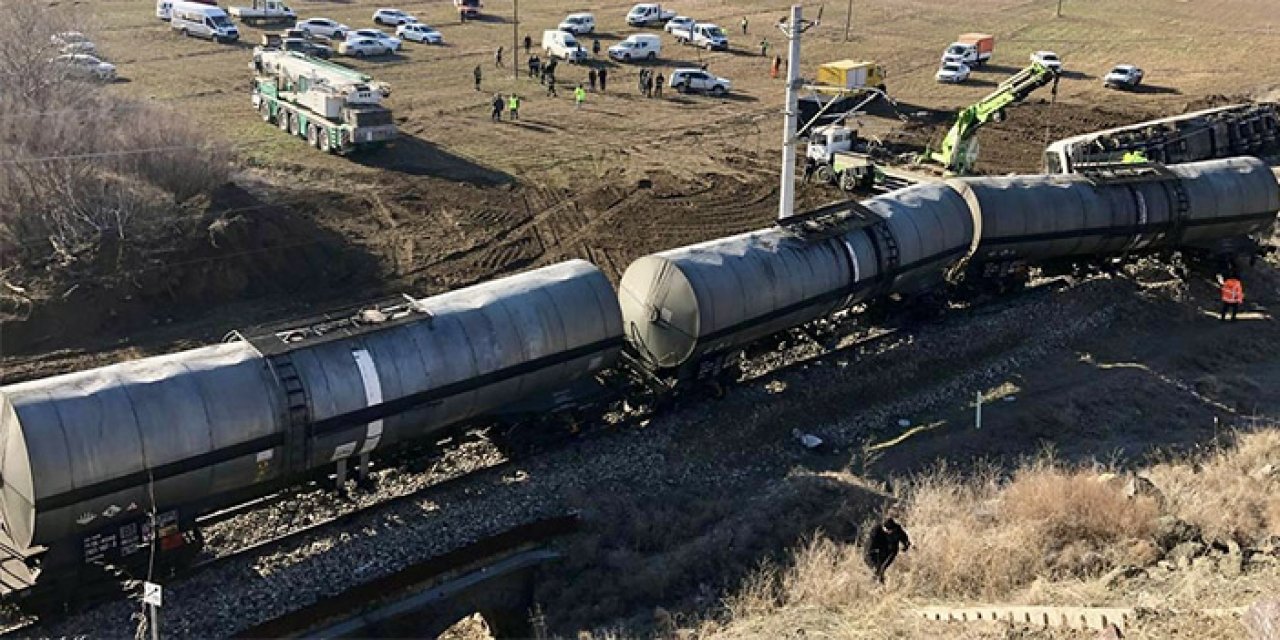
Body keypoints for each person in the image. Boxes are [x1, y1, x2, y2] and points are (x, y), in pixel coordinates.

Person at [864, 518, 910, 584]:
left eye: (893, 531)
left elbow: (905, 539)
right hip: (873, 552)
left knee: (882, 568)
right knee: (877, 569)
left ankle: (880, 579)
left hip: (890, 551)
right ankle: (876, 582)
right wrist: (875, 566)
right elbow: (868, 552)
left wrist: (906, 545)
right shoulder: (875, 532)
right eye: (889, 531)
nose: (891, 533)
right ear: (884, 529)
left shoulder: (897, 529)